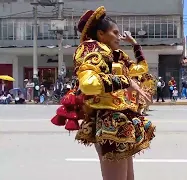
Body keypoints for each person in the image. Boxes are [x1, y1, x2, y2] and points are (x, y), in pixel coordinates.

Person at [50, 6, 155, 180]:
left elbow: (140, 69)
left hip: (122, 120)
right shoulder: (90, 49)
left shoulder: (116, 55)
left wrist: (135, 44)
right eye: (115, 32)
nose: (119, 37)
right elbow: (88, 84)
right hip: (109, 124)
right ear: (100, 34)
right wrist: (125, 81)